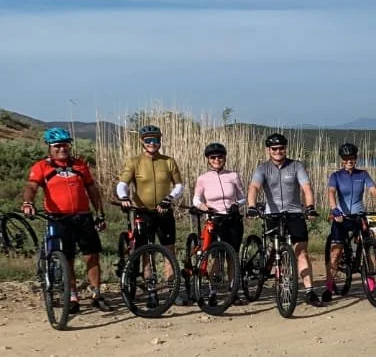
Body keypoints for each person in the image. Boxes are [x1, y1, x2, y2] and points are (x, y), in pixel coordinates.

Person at [22, 127, 111, 313]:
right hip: (58, 218)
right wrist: (28, 202)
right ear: (50, 147)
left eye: (66, 145)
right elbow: (31, 186)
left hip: (83, 216)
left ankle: (96, 294)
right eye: (58, 146)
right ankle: (72, 296)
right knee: (67, 257)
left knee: (92, 255)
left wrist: (100, 213)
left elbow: (92, 190)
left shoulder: (80, 165)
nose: (62, 149)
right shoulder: (42, 167)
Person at [245, 133, 324, 307]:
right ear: (268, 150)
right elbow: (254, 187)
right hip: (273, 214)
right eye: (274, 148)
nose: (278, 151)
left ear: (285, 148)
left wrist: (310, 206)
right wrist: (251, 206)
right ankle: (270, 268)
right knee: (274, 249)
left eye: (281, 148)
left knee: (301, 251)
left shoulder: (296, 166)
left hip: (294, 212)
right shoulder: (262, 168)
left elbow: (306, 188)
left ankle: (310, 291)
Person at [115, 125, 186, 304]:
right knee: (146, 252)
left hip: (164, 211)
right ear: (141, 141)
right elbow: (122, 183)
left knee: (169, 251)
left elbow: (179, 185)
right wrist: (123, 197)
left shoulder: (168, 161)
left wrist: (169, 198)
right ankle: (151, 289)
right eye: (148, 140)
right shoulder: (134, 162)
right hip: (143, 212)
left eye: (156, 139)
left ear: (160, 140)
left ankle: (172, 289)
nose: (152, 143)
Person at [324, 143, 376, 303]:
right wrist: (334, 209)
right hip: (342, 217)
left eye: (352, 158)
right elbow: (331, 192)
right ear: (342, 160)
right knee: (336, 252)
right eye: (346, 158)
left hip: (359, 215)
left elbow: (372, 190)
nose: (349, 161)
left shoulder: (363, 174)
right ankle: (328, 286)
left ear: (356, 158)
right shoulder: (336, 176)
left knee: (368, 249)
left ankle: (372, 285)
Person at [191, 143, 247, 304]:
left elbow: (242, 196)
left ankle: (233, 289)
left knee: (232, 256)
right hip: (215, 219)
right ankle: (213, 291)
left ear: (224, 158)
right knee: (215, 256)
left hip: (232, 219)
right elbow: (196, 199)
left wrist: (237, 204)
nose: (217, 160)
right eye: (213, 157)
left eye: (220, 157)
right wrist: (203, 207)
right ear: (208, 160)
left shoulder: (233, 176)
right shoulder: (203, 178)